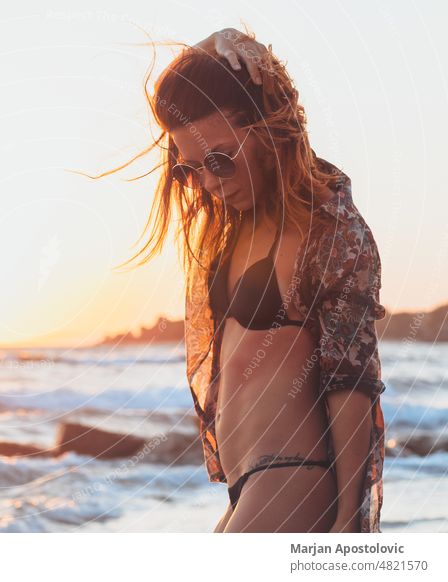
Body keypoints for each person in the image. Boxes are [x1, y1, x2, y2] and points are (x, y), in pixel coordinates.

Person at [109, 28, 387, 532]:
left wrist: (349, 522)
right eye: (190, 169)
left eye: (219, 159)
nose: (210, 183)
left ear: (267, 128)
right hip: (249, 490)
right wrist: (221, 41)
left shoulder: (322, 226)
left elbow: (352, 381)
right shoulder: (234, 231)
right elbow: (209, 82)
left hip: (294, 479)